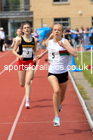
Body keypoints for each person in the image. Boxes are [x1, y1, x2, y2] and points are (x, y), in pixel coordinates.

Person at [37, 24, 77, 126]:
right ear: (53, 32)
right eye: (55, 30)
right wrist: (42, 54)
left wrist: (64, 46)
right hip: (52, 73)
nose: (56, 31)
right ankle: (56, 117)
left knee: (62, 97)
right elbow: (49, 47)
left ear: (62, 32)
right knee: (56, 90)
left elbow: (75, 54)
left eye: (59, 30)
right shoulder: (50, 42)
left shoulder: (65, 42)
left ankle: (59, 105)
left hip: (63, 73)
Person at [12, 22, 37, 109]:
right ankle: (26, 93)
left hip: (30, 62)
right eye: (25, 28)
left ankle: (27, 101)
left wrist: (35, 57)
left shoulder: (33, 39)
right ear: (22, 30)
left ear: (30, 29)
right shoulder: (19, 40)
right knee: (22, 84)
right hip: (21, 62)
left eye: (28, 27)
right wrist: (19, 56)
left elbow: (35, 50)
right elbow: (13, 51)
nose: (27, 29)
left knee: (28, 81)